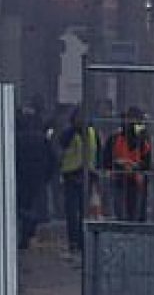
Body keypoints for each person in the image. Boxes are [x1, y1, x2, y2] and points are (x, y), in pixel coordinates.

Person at [56, 107, 100, 253]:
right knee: (72, 212)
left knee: (83, 212)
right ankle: (74, 241)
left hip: (87, 175)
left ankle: (82, 241)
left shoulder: (93, 133)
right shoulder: (68, 133)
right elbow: (59, 151)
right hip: (71, 175)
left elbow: (98, 153)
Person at [14, 105, 58, 249]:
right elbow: (53, 159)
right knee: (33, 205)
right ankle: (29, 233)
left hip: (20, 177)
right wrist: (46, 176)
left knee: (21, 206)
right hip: (38, 178)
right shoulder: (42, 139)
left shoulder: (17, 138)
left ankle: (23, 234)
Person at [104, 107, 154, 223]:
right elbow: (106, 161)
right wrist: (119, 164)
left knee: (135, 214)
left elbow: (147, 162)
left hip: (135, 182)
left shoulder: (142, 140)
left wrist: (136, 166)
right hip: (119, 180)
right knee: (121, 214)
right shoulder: (114, 139)